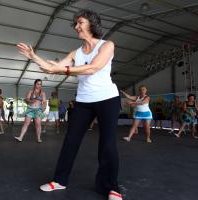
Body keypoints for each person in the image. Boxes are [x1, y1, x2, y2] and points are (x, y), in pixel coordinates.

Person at [17, 9, 123, 200]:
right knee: (70, 141)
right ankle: (59, 180)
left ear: (91, 23)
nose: (76, 27)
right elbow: (51, 68)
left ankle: (111, 187)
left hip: (108, 99)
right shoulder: (76, 52)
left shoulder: (107, 45)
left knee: (107, 144)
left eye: (80, 22)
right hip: (83, 101)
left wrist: (63, 69)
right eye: (75, 24)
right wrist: (34, 57)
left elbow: (93, 67)